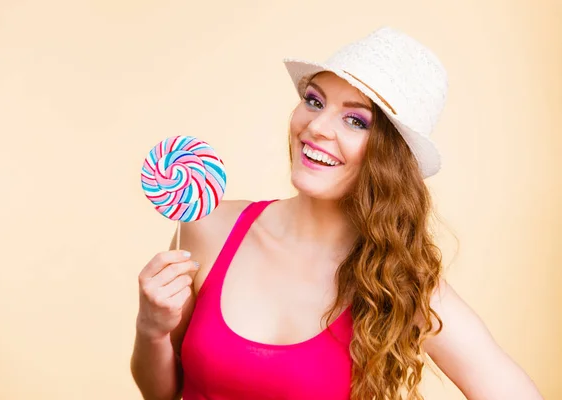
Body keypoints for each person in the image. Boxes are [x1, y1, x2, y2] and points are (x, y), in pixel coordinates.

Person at [130, 26, 544, 400]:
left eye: (355, 121)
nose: (317, 127)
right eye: (314, 101)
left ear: (389, 156)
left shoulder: (398, 283)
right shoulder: (207, 227)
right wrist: (152, 328)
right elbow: (163, 394)